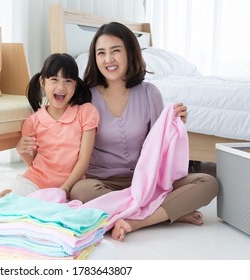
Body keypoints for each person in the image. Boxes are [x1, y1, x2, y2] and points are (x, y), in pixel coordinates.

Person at [69, 22, 219, 241]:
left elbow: (159, 146)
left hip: (148, 181)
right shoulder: (85, 98)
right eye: (101, 53)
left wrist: (174, 124)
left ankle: (137, 220)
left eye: (116, 51)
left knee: (209, 183)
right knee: (80, 192)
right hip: (105, 183)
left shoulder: (150, 92)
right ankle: (167, 213)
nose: (108, 59)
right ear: (94, 58)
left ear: (130, 52)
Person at [0, 53, 99, 202]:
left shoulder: (86, 112)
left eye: (68, 81)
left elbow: (84, 160)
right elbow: (35, 163)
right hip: (35, 183)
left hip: (71, 185)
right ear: (43, 82)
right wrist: (21, 150)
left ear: (75, 85)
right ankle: (8, 196)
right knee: (21, 207)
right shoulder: (32, 121)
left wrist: (64, 188)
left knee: (52, 208)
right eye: (54, 80)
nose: (61, 87)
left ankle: (11, 196)